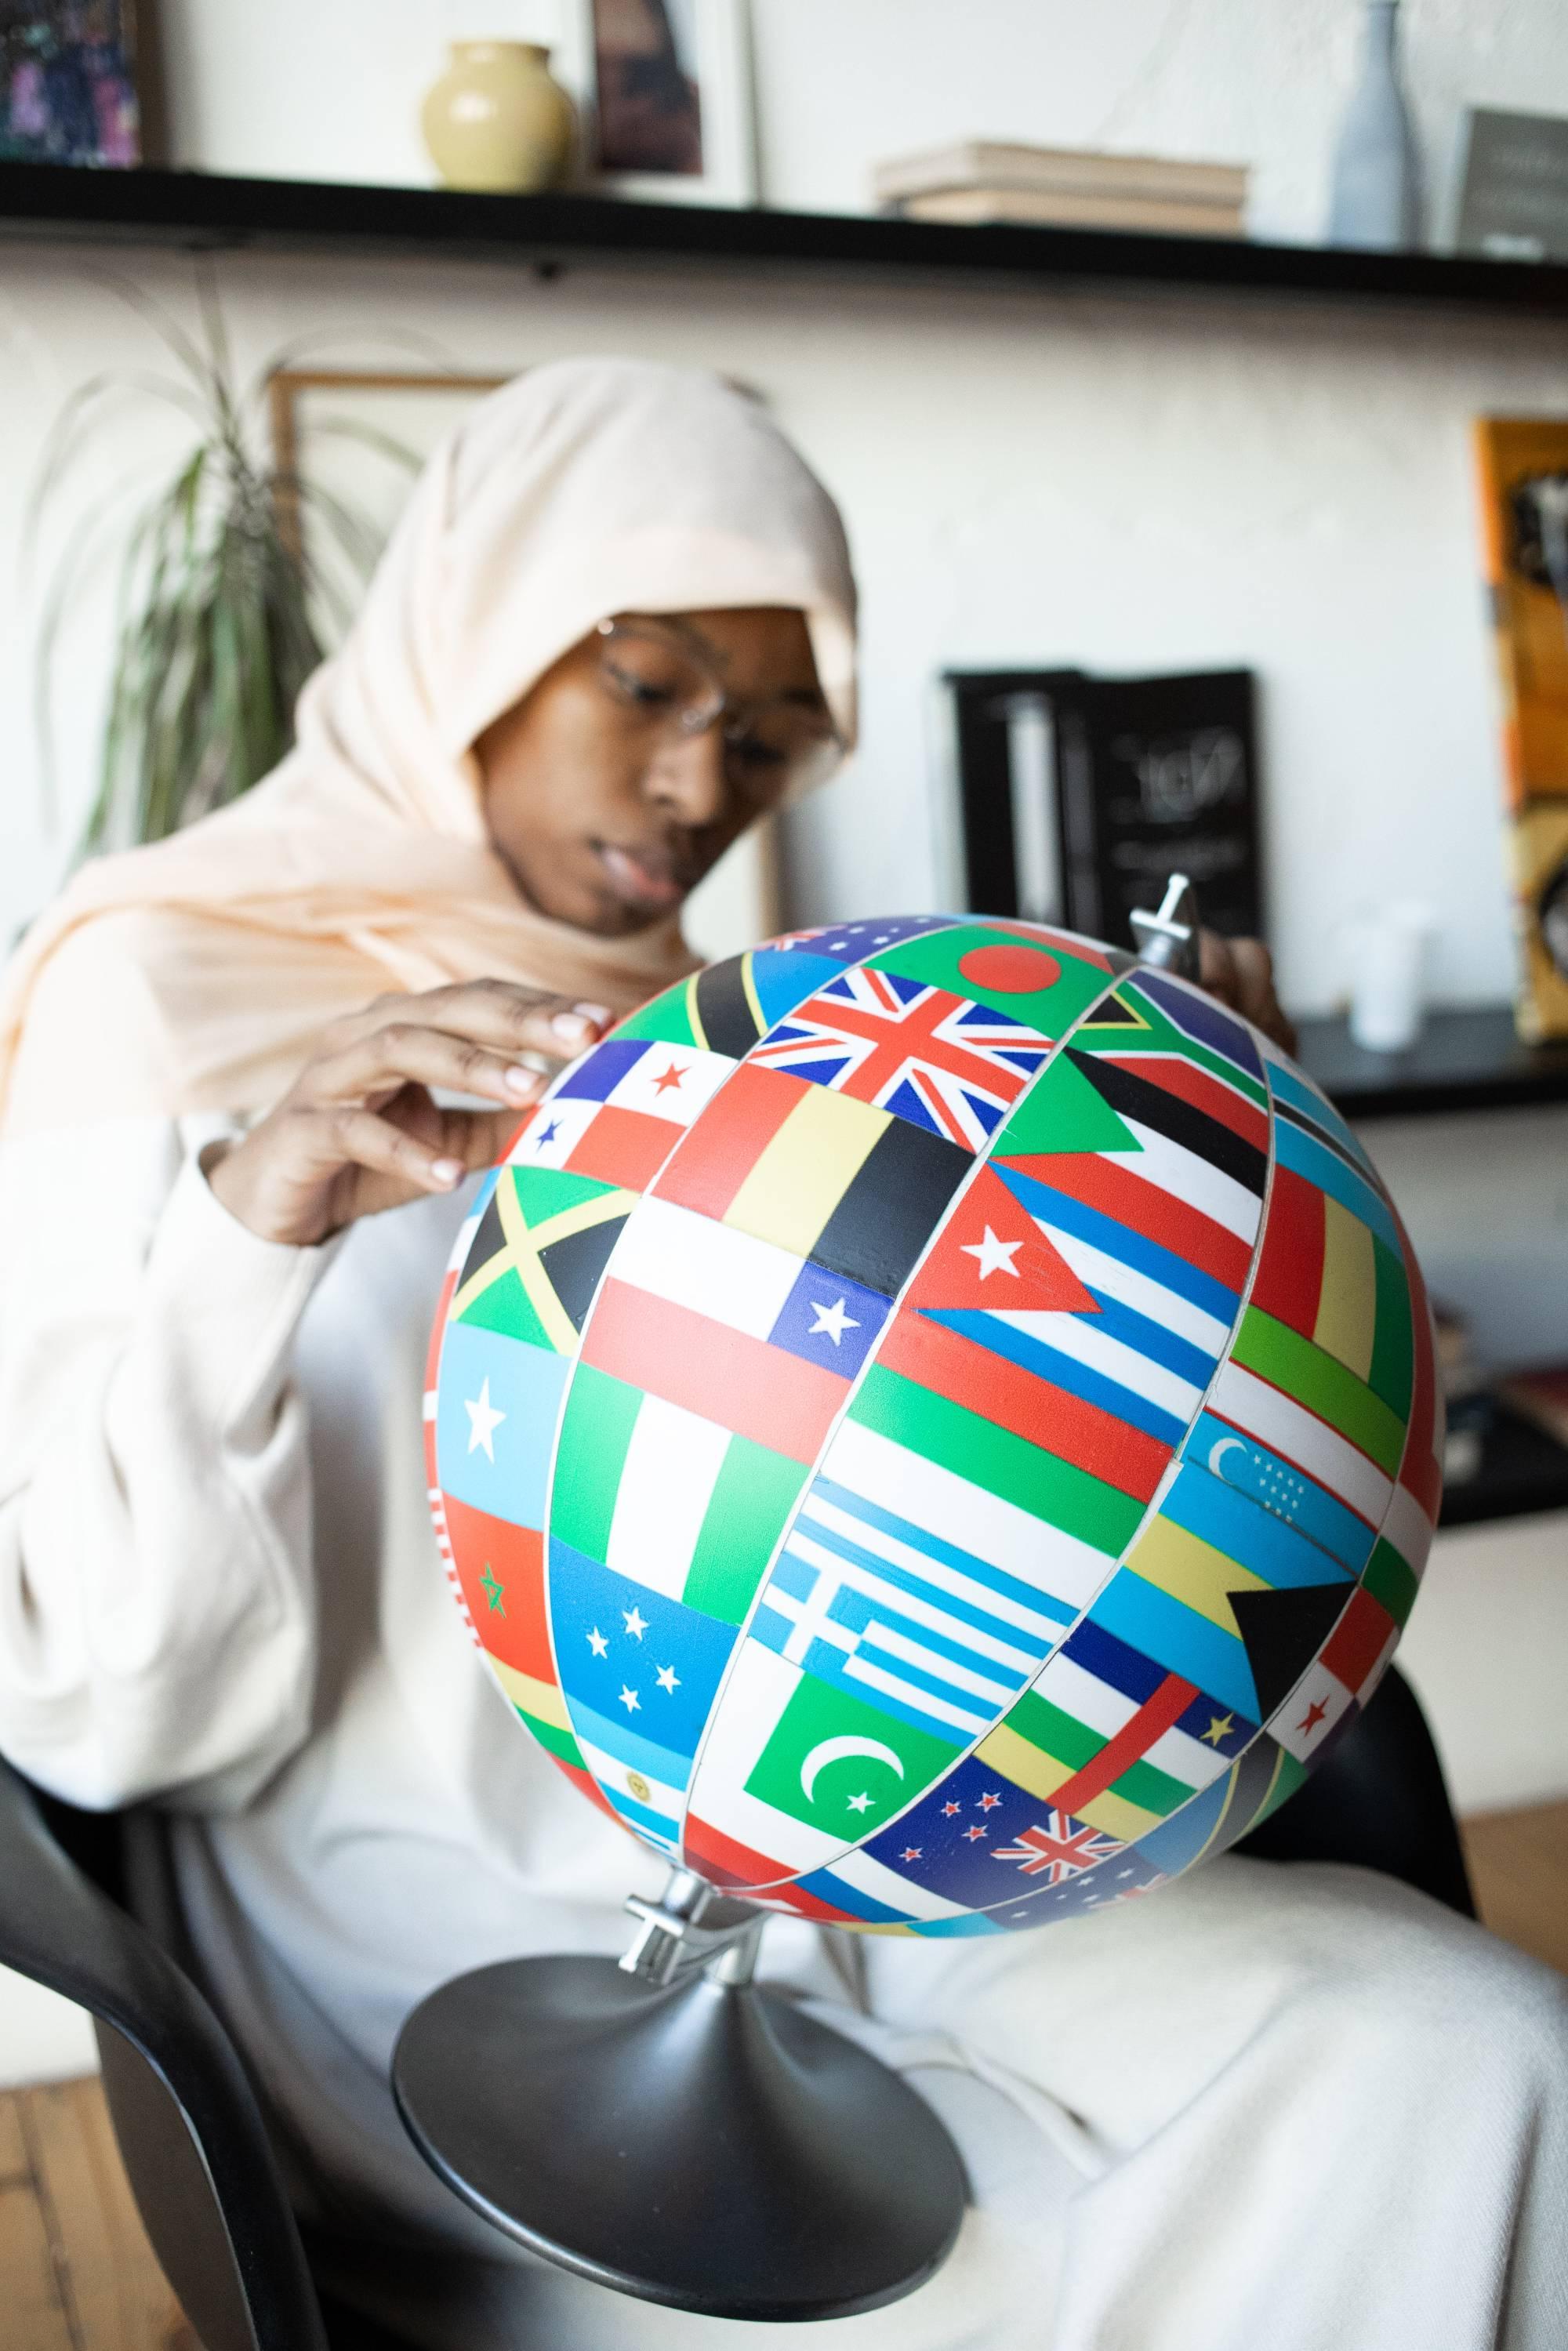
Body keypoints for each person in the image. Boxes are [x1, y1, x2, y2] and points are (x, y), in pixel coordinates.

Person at [0, 358, 1563, 2351]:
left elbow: (945, 1447)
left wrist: (1196, 1170)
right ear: (473, 632)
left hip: (884, 1849)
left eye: (763, 734)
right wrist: (254, 1224)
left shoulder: (755, 1028)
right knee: (1040, 2279)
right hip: (448, 1947)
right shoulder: (154, 986)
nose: (693, 788)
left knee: (1472, 2065)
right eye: (642, 686)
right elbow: (99, 1711)